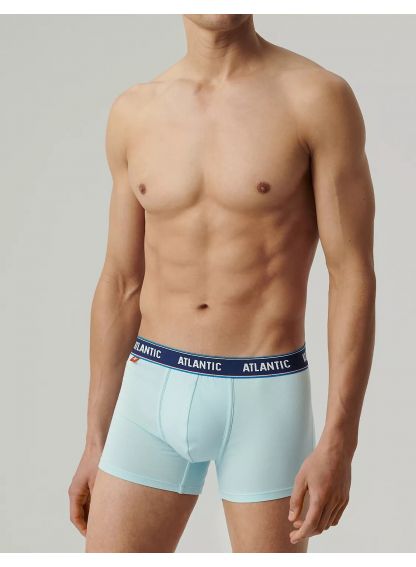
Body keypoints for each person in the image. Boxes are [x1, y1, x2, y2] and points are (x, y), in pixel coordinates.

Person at [68, 14, 376, 553]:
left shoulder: (316, 98)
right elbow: (120, 282)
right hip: (150, 393)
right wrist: (96, 438)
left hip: (265, 395)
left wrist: (340, 440)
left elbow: (351, 272)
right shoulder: (134, 112)